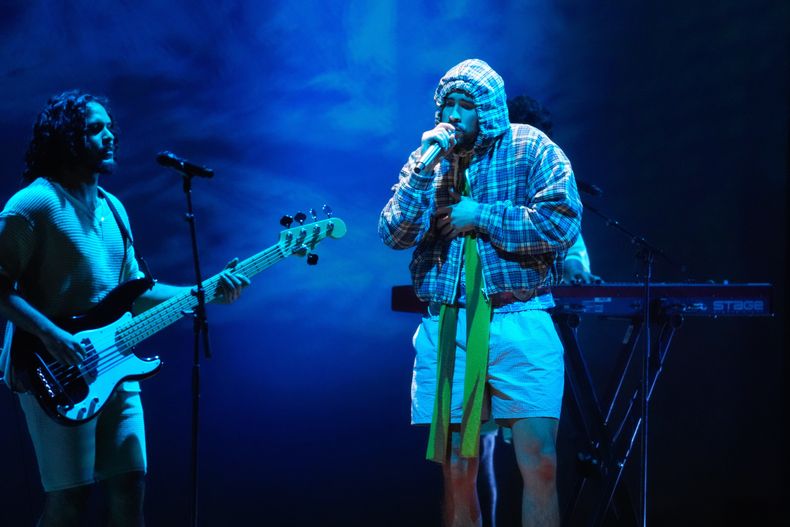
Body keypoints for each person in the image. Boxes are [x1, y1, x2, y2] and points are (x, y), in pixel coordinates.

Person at [0, 90, 249, 527]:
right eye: (96, 129)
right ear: (66, 138)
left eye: (110, 126)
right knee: (70, 500)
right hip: (54, 370)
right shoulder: (33, 204)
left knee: (130, 486)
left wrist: (206, 289)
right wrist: (52, 336)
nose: (110, 135)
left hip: (114, 366)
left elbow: (136, 292)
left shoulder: (113, 208)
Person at [379, 60, 582, 527]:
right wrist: (418, 171)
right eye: (446, 104)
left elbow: (562, 222)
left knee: (540, 459)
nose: (453, 113)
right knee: (457, 467)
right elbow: (393, 233)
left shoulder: (530, 147)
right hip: (448, 324)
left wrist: (482, 215)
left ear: (487, 109)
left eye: (464, 104)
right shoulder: (427, 161)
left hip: (519, 318)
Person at [476, 94, 601, 527]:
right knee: (472, 459)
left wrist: (575, 267)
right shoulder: (477, 179)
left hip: (528, 324)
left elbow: (571, 245)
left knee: (540, 459)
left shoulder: (552, 184)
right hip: (476, 322)